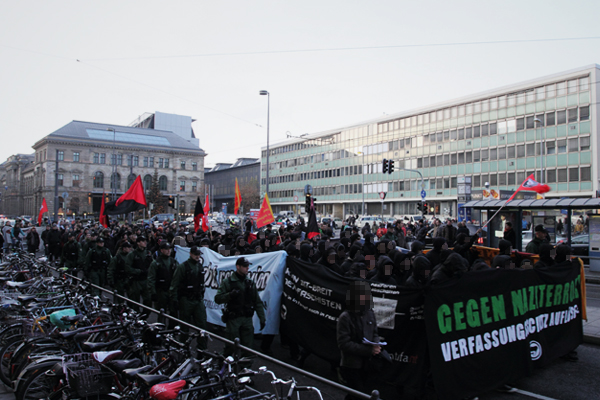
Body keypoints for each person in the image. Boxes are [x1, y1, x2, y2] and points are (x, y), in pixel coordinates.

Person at [336, 281, 381, 400]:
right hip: (351, 365)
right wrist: (368, 350)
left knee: (356, 395)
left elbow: (375, 332)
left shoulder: (369, 313)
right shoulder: (345, 317)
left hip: (367, 364)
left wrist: (376, 344)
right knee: (358, 394)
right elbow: (344, 344)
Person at [215, 257, 266, 355]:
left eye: (248, 266)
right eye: (244, 266)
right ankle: (225, 365)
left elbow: (257, 302)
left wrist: (262, 318)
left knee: (248, 348)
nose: (247, 268)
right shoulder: (228, 282)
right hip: (234, 318)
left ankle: (245, 368)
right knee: (230, 347)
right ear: (238, 267)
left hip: (247, 319)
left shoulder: (250, 283)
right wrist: (229, 295)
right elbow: (217, 299)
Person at [169, 246, 207, 348]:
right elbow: (175, 283)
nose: (197, 256)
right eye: (195, 254)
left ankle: (202, 349)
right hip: (186, 299)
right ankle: (182, 347)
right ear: (190, 254)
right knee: (184, 326)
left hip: (197, 299)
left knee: (202, 325)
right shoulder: (183, 267)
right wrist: (174, 299)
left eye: (199, 255)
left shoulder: (200, 266)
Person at [147, 242, 178, 319]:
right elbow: (151, 278)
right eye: (166, 249)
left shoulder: (173, 262)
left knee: (173, 313)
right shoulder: (156, 263)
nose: (169, 251)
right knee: (161, 313)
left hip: (171, 291)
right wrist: (153, 293)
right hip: (161, 291)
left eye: (169, 249)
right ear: (161, 250)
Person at [125, 236, 154, 309]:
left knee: (148, 302)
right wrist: (138, 271)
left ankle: (143, 317)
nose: (145, 242)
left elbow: (153, 265)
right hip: (136, 281)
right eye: (142, 241)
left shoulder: (148, 253)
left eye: (145, 241)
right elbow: (127, 268)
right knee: (135, 303)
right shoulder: (132, 254)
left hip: (146, 280)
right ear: (138, 243)